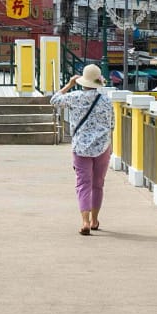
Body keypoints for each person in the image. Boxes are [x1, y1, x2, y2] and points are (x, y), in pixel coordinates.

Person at [50, 64, 115, 236]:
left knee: (83, 184)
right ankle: (95, 220)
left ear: (82, 82)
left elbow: (54, 101)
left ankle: (85, 221)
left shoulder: (75, 97)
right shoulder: (106, 100)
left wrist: (69, 84)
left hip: (80, 148)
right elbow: (112, 124)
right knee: (98, 184)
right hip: (102, 147)